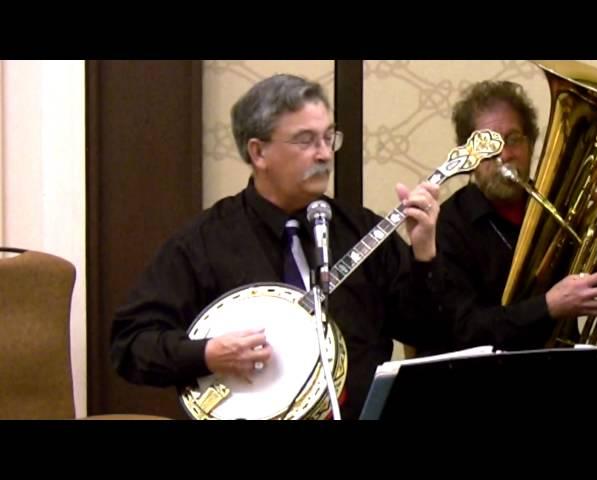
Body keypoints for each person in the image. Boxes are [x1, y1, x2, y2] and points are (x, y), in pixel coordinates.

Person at [110, 74, 446, 420]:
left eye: (329, 137)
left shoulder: (362, 230)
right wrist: (207, 354)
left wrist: (424, 255)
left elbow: (424, 331)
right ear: (259, 152)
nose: (324, 153)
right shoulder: (203, 243)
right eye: (305, 140)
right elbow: (131, 344)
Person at [434, 80, 597, 352]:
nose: (504, 154)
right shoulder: (448, 224)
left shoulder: (556, 207)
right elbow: (463, 328)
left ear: (530, 145)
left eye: (513, 139)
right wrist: (547, 306)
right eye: (487, 145)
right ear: (468, 157)